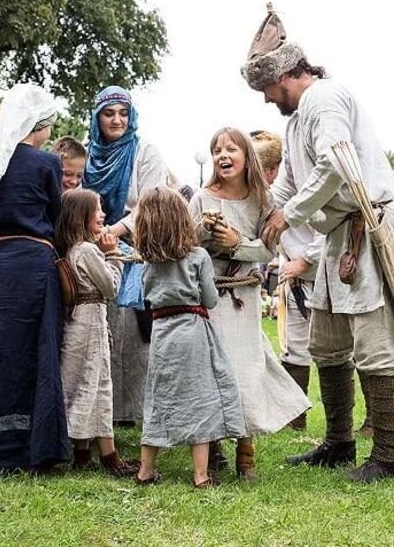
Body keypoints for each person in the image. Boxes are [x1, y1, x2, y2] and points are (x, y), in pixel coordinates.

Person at [246, 6, 394, 483]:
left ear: (286, 74)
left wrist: (289, 215)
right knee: (327, 346)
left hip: (364, 231)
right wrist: (261, 214)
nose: (268, 100)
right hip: (334, 241)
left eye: (267, 89)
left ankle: (385, 458)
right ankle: (338, 443)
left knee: (374, 348)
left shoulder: (326, 99)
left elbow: (334, 166)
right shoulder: (295, 121)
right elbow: (287, 185)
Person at [190, 127, 310, 481]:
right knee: (210, 370)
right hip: (209, 296)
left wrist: (236, 241)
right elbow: (187, 245)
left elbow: (268, 250)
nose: (222, 155)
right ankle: (211, 447)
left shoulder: (263, 201)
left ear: (246, 157)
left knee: (245, 370)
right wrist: (204, 230)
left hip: (242, 297)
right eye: (216, 150)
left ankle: (245, 450)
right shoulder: (201, 197)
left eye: (230, 149)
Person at [0, 83, 69, 474]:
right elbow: (56, 215)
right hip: (31, 262)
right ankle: (34, 448)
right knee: (37, 348)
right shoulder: (46, 164)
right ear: (38, 124)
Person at [134, 187, 246, 488]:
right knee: (201, 398)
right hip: (193, 331)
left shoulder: (148, 261)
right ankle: (200, 476)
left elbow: (147, 296)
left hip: (161, 333)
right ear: (183, 219)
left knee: (158, 398)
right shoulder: (198, 257)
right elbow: (209, 299)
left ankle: (145, 471)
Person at [83, 86, 168, 425]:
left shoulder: (145, 151)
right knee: (102, 328)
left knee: (134, 335)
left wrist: (113, 233)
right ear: (97, 118)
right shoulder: (89, 154)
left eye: (123, 113)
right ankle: (103, 409)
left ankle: (134, 411)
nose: (116, 120)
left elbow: (149, 203)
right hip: (95, 249)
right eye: (108, 113)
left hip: (134, 252)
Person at [55, 188, 139, 476]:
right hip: (89, 324)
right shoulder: (88, 251)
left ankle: (84, 453)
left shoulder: (72, 248)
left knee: (83, 384)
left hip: (80, 321)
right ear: (82, 216)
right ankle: (107, 455)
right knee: (97, 385)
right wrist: (114, 256)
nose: (103, 215)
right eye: (98, 209)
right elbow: (110, 287)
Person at [253, 129, 321, 431]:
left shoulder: (304, 191)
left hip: (325, 278)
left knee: (345, 351)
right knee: (294, 349)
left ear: (273, 169)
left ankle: (370, 420)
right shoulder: (264, 198)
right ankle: (295, 420)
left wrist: (305, 261)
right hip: (294, 283)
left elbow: (329, 231)